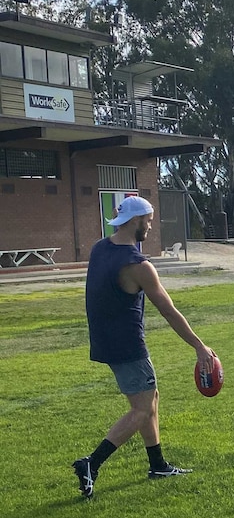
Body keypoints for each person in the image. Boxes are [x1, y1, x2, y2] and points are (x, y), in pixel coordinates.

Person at [72, 196, 217, 499]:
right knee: (141, 409)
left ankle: (158, 465)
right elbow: (169, 311)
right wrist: (199, 347)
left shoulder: (100, 248)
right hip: (127, 344)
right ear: (135, 221)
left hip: (105, 340)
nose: (151, 226)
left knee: (151, 398)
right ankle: (91, 463)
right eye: (148, 220)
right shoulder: (139, 266)